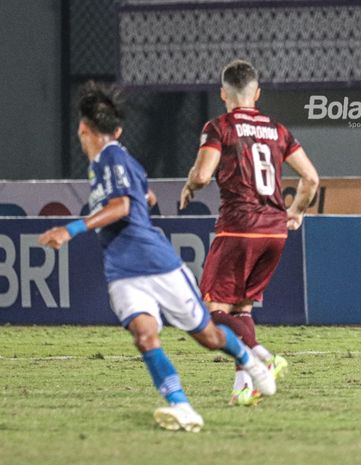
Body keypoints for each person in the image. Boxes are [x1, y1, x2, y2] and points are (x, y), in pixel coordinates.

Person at [38, 81, 275, 432]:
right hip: (122, 270)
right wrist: (145, 194)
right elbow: (138, 190)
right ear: (116, 129)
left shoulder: (112, 156)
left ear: (82, 129)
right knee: (145, 336)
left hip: (156, 263)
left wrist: (69, 230)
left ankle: (247, 359)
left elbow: (121, 205)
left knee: (207, 337)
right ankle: (182, 407)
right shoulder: (113, 162)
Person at [180, 60, 319, 405]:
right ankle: (244, 387)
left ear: (223, 93)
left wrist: (190, 185)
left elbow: (201, 175)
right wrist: (296, 212)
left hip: (239, 227)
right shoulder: (278, 129)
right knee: (242, 309)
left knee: (210, 311)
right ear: (257, 93)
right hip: (274, 231)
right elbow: (311, 179)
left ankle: (264, 358)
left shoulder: (220, 127)